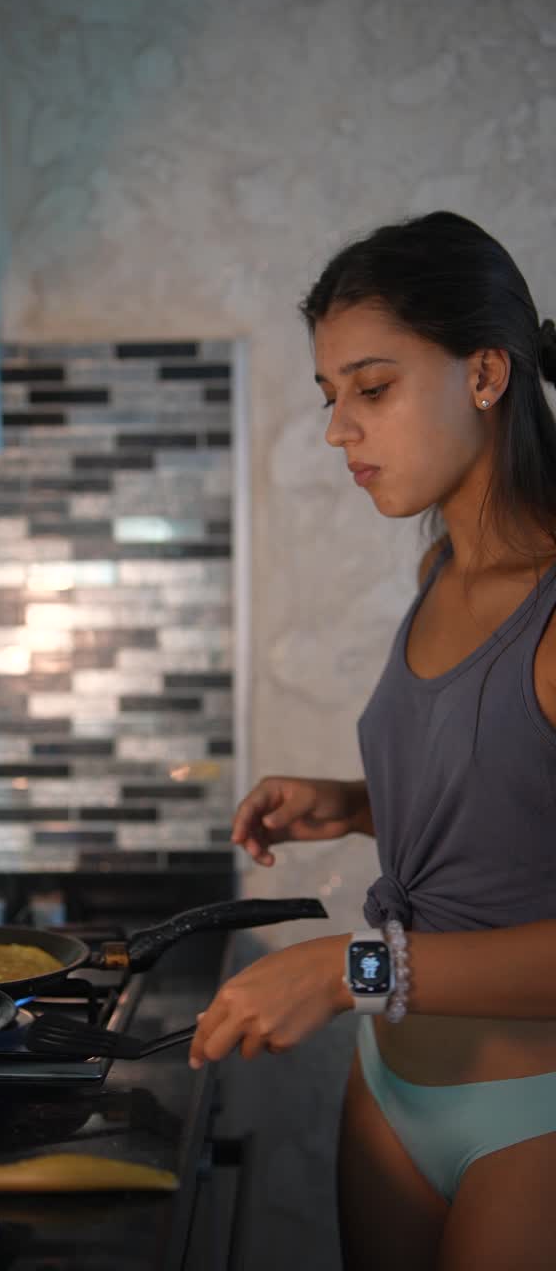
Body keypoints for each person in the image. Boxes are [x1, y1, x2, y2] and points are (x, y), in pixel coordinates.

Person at [187, 211, 556, 1271]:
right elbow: (513, 812)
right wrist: (354, 800)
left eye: (374, 386)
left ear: (485, 372)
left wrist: (350, 967)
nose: (340, 428)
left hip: (530, 1116)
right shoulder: (440, 570)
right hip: (392, 1086)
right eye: (330, 396)